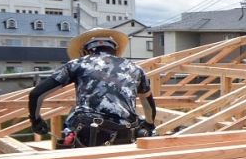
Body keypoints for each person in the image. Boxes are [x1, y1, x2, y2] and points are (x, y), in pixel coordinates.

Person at [27, 27, 156, 147]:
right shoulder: (136, 69)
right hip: (125, 134)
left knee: (74, 115)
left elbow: (36, 94)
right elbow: (148, 105)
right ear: (115, 50)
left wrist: (36, 120)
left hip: (87, 133)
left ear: (85, 50)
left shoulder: (77, 64)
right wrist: (149, 125)